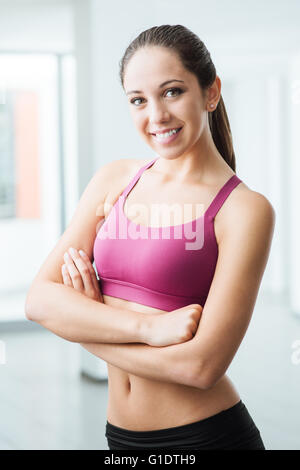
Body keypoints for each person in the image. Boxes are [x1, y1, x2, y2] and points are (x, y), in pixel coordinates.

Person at [25, 24, 275, 450]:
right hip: (120, 438)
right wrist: (147, 328)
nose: (156, 115)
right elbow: (39, 301)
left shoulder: (244, 209)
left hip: (205, 438)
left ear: (210, 93)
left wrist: (84, 325)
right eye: (138, 100)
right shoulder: (115, 180)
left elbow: (200, 366)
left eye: (172, 91)